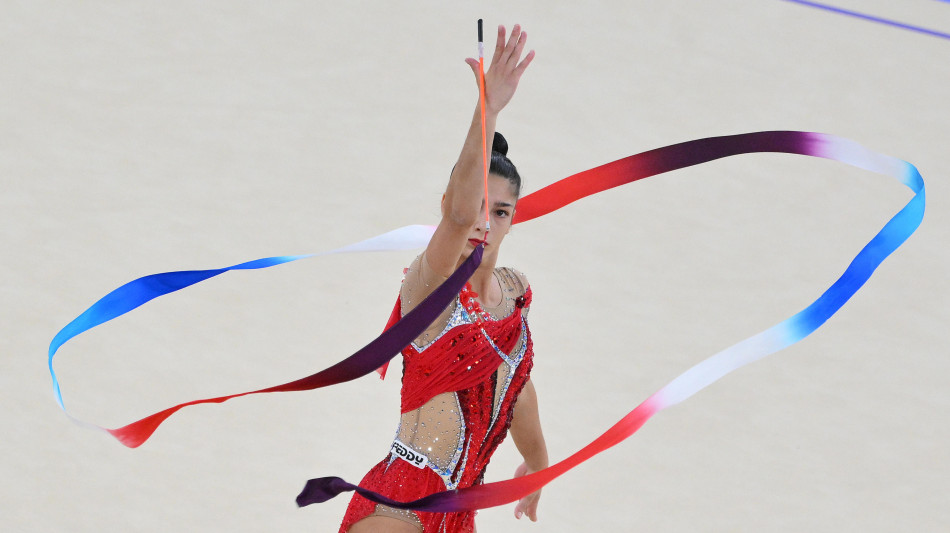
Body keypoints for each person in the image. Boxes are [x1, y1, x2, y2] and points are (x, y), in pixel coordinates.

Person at [342, 24, 547, 533]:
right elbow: (458, 218)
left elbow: (516, 388)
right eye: (477, 205)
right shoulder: (429, 286)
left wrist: (539, 465)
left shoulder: (514, 297)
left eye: (500, 211)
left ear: (514, 218)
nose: (485, 221)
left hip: (458, 516)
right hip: (399, 506)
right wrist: (488, 110)